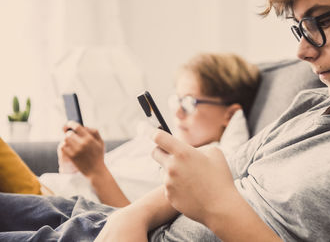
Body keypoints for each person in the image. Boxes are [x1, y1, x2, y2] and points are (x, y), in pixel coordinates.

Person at [1, 0, 330, 241]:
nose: (301, 50)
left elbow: (212, 192)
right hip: (105, 224)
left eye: (319, 22)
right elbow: (216, 170)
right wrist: (132, 217)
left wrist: (216, 205)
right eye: (299, 28)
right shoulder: (310, 105)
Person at [1, 53, 261, 207]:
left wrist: (95, 171)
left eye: (190, 102)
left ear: (230, 114)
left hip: (57, 206)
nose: (178, 112)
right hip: (48, 192)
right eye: (177, 99)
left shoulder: (206, 165)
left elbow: (127, 219)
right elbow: (84, 184)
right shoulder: (158, 141)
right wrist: (74, 166)